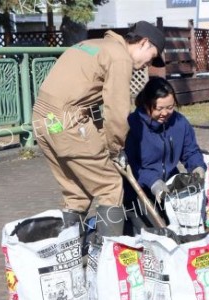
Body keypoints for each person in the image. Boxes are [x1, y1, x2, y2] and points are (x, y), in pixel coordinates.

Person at [31, 21, 165, 244]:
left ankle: (70, 255)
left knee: (76, 193)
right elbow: (117, 111)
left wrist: (103, 139)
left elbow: (89, 102)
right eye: (151, 57)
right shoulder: (120, 58)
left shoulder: (93, 45)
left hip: (45, 120)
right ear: (143, 42)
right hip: (68, 122)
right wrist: (115, 148)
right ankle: (107, 258)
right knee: (110, 186)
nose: (145, 65)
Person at [123, 77, 206, 234]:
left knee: (183, 227)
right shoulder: (133, 125)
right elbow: (131, 165)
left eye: (170, 107)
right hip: (139, 191)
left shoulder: (179, 122)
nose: (165, 113)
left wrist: (197, 167)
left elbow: (191, 151)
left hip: (169, 187)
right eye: (159, 108)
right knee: (155, 232)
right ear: (147, 104)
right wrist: (153, 182)